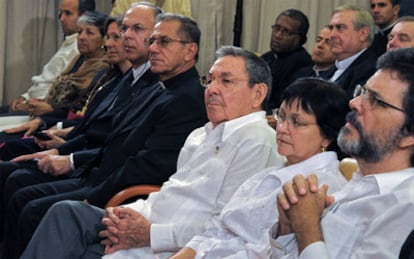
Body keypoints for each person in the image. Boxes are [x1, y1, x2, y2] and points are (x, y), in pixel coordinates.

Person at [21, 45, 285, 259]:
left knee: (74, 243)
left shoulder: (257, 141)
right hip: (144, 222)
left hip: (173, 245)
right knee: (66, 212)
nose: (212, 89)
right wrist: (125, 216)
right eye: (210, 79)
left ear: (257, 93)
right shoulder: (201, 133)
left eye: (226, 81)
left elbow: (227, 228)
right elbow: (170, 190)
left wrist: (150, 234)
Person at [2, 11, 212, 259]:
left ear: (190, 51)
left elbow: (148, 167)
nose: (153, 48)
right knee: (22, 188)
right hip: (102, 177)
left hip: (127, 196)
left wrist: (94, 195)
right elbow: (116, 140)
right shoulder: (162, 87)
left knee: (34, 207)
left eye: (163, 42)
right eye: (153, 40)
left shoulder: (186, 99)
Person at [172, 78, 349, 258]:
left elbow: (263, 253)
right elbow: (217, 229)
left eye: (297, 122)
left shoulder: (319, 187)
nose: (282, 128)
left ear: (327, 135)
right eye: (282, 116)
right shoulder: (274, 170)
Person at [274, 47, 414, 258]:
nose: (354, 103)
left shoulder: (405, 208)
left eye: (375, 100)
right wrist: (288, 228)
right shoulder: (357, 184)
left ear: (409, 135)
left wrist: (307, 229)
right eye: (363, 92)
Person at [0, 15, 132, 161]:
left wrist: (63, 140)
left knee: (11, 157)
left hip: (81, 145)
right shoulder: (100, 70)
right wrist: (45, 122)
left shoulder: (108, 70)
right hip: (66, 130)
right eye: (108, 37)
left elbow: (88, 120)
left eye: (89, 32)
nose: (81, 37)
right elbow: (80, 110)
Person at [0, 0, 95, 113]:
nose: (61, 19)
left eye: (68, 13)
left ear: (84, 17)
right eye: (60, 13)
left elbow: (62, 94)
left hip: (41, 111)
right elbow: (45, 82)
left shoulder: (79, 50)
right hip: (29, 104)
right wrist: (24, 97)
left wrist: (29, 105)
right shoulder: (69, 43)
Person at [261, 9, 312, 111]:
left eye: (286, 32)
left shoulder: (303, 63)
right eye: (277, 28)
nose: (278, 35)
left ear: (302, 39)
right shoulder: (267, 57)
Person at [328, 5, 378, 99]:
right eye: (331, 28)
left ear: (363, 34)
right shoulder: (330, 70)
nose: (332, 35)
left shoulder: (371, 71)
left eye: (340, 27)